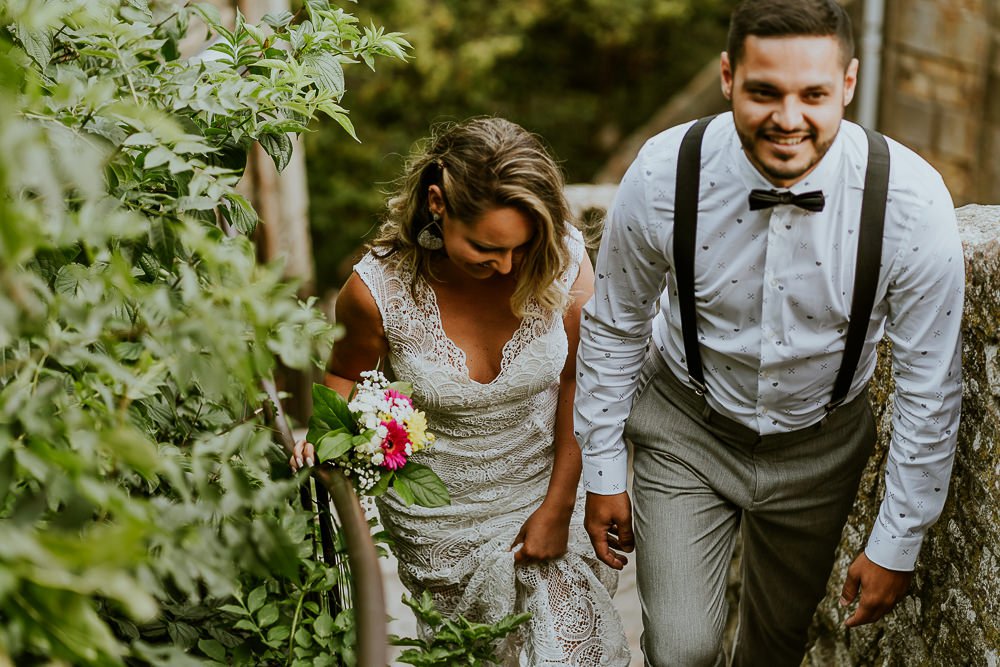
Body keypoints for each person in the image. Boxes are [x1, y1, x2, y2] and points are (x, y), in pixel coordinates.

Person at [574, 1, 964, 665]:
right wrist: (603, 468)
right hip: (684, 429)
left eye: (813, 94)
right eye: (764, 91)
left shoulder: (912, 203)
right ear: (728, 77)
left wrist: (898, 541)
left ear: (847, 84)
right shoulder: (665, 174)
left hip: (822, 443)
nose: (789, 118)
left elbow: (931, 387)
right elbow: (615, 324)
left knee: (776, 645)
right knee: (679, 648)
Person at [293, 117, 630, 665]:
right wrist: (325, 439)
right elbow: (347, 375)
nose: (506, 267)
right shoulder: (375, 291)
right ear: (437, 204)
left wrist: (558, 503)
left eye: (521, 249)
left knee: (571, 646)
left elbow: (580, 378)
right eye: (485, 248)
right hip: (439, 520)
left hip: (544, 485)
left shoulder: (562, 259)